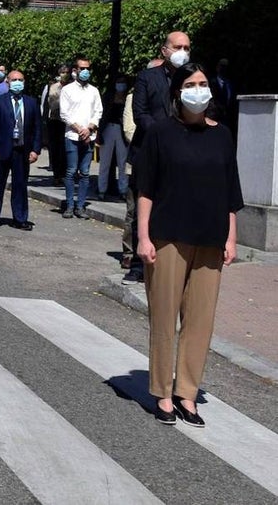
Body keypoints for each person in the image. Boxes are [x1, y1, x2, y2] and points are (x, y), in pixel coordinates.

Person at [135, 63, 242, 428]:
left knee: (200, 321)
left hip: (211, 238)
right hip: (168, 236)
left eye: (204, 83)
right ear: (178, 92)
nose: (199, 89)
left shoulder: (223, 135)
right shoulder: (160, 134)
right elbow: (146, 189)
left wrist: (231, 236)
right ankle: (163, 392)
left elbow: (231, 191)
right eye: (192, 84)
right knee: (164, 317)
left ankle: (188, 393)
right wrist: (143, 236)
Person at [124, 32, 192, 284]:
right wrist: (165, 136)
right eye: (177, 47)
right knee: (140, 208)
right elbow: (141, 114)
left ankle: (172, 260)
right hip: (149, 152)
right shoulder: (147, 78)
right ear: (164, 50)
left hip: (182, 156)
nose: (182, 51)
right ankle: (138, 264)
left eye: (186, 47)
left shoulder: (193, 79)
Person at [0, 70, 41, 230]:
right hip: (1, 150)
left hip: (22, 151)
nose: (17, 82)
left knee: (20, 185)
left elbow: (37, 128)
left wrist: (36, 149)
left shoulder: (31, 102)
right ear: (7, 82)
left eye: (20, 80)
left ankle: (20, 218)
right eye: (14, 79)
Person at [59, 56, 103, 218]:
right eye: (82, 68)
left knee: (85, 172)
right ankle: (69, 205)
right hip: (72, 135)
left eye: (88, 69)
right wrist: (79, 129)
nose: (85, 72)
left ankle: (80, 206)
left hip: (89, 136)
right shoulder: (67, 90)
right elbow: (64, 113)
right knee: (71, 171)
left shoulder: (94, 91)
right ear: (75, 71)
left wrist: (90, 127)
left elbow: (98, 111)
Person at [97, 74, 132, 200]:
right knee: (105, 162)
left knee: (123, 162)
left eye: (123, 82)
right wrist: (99, 133)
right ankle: (102, 189)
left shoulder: (129, 98)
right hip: (108, 129)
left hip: (122, 130)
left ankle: (123, 190)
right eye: (118, 82)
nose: (121, 85)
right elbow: (102, 115)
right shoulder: (108, 97)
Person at [40, 64, 71, 184]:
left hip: (69, 122)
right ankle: (57, 174)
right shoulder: (54, 87)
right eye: (62, 72)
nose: (65, 74)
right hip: (55, 120)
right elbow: (52, 104)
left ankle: (67, 172)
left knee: (66, 148)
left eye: (66, 72)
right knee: (56, 148)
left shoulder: (73, 87)